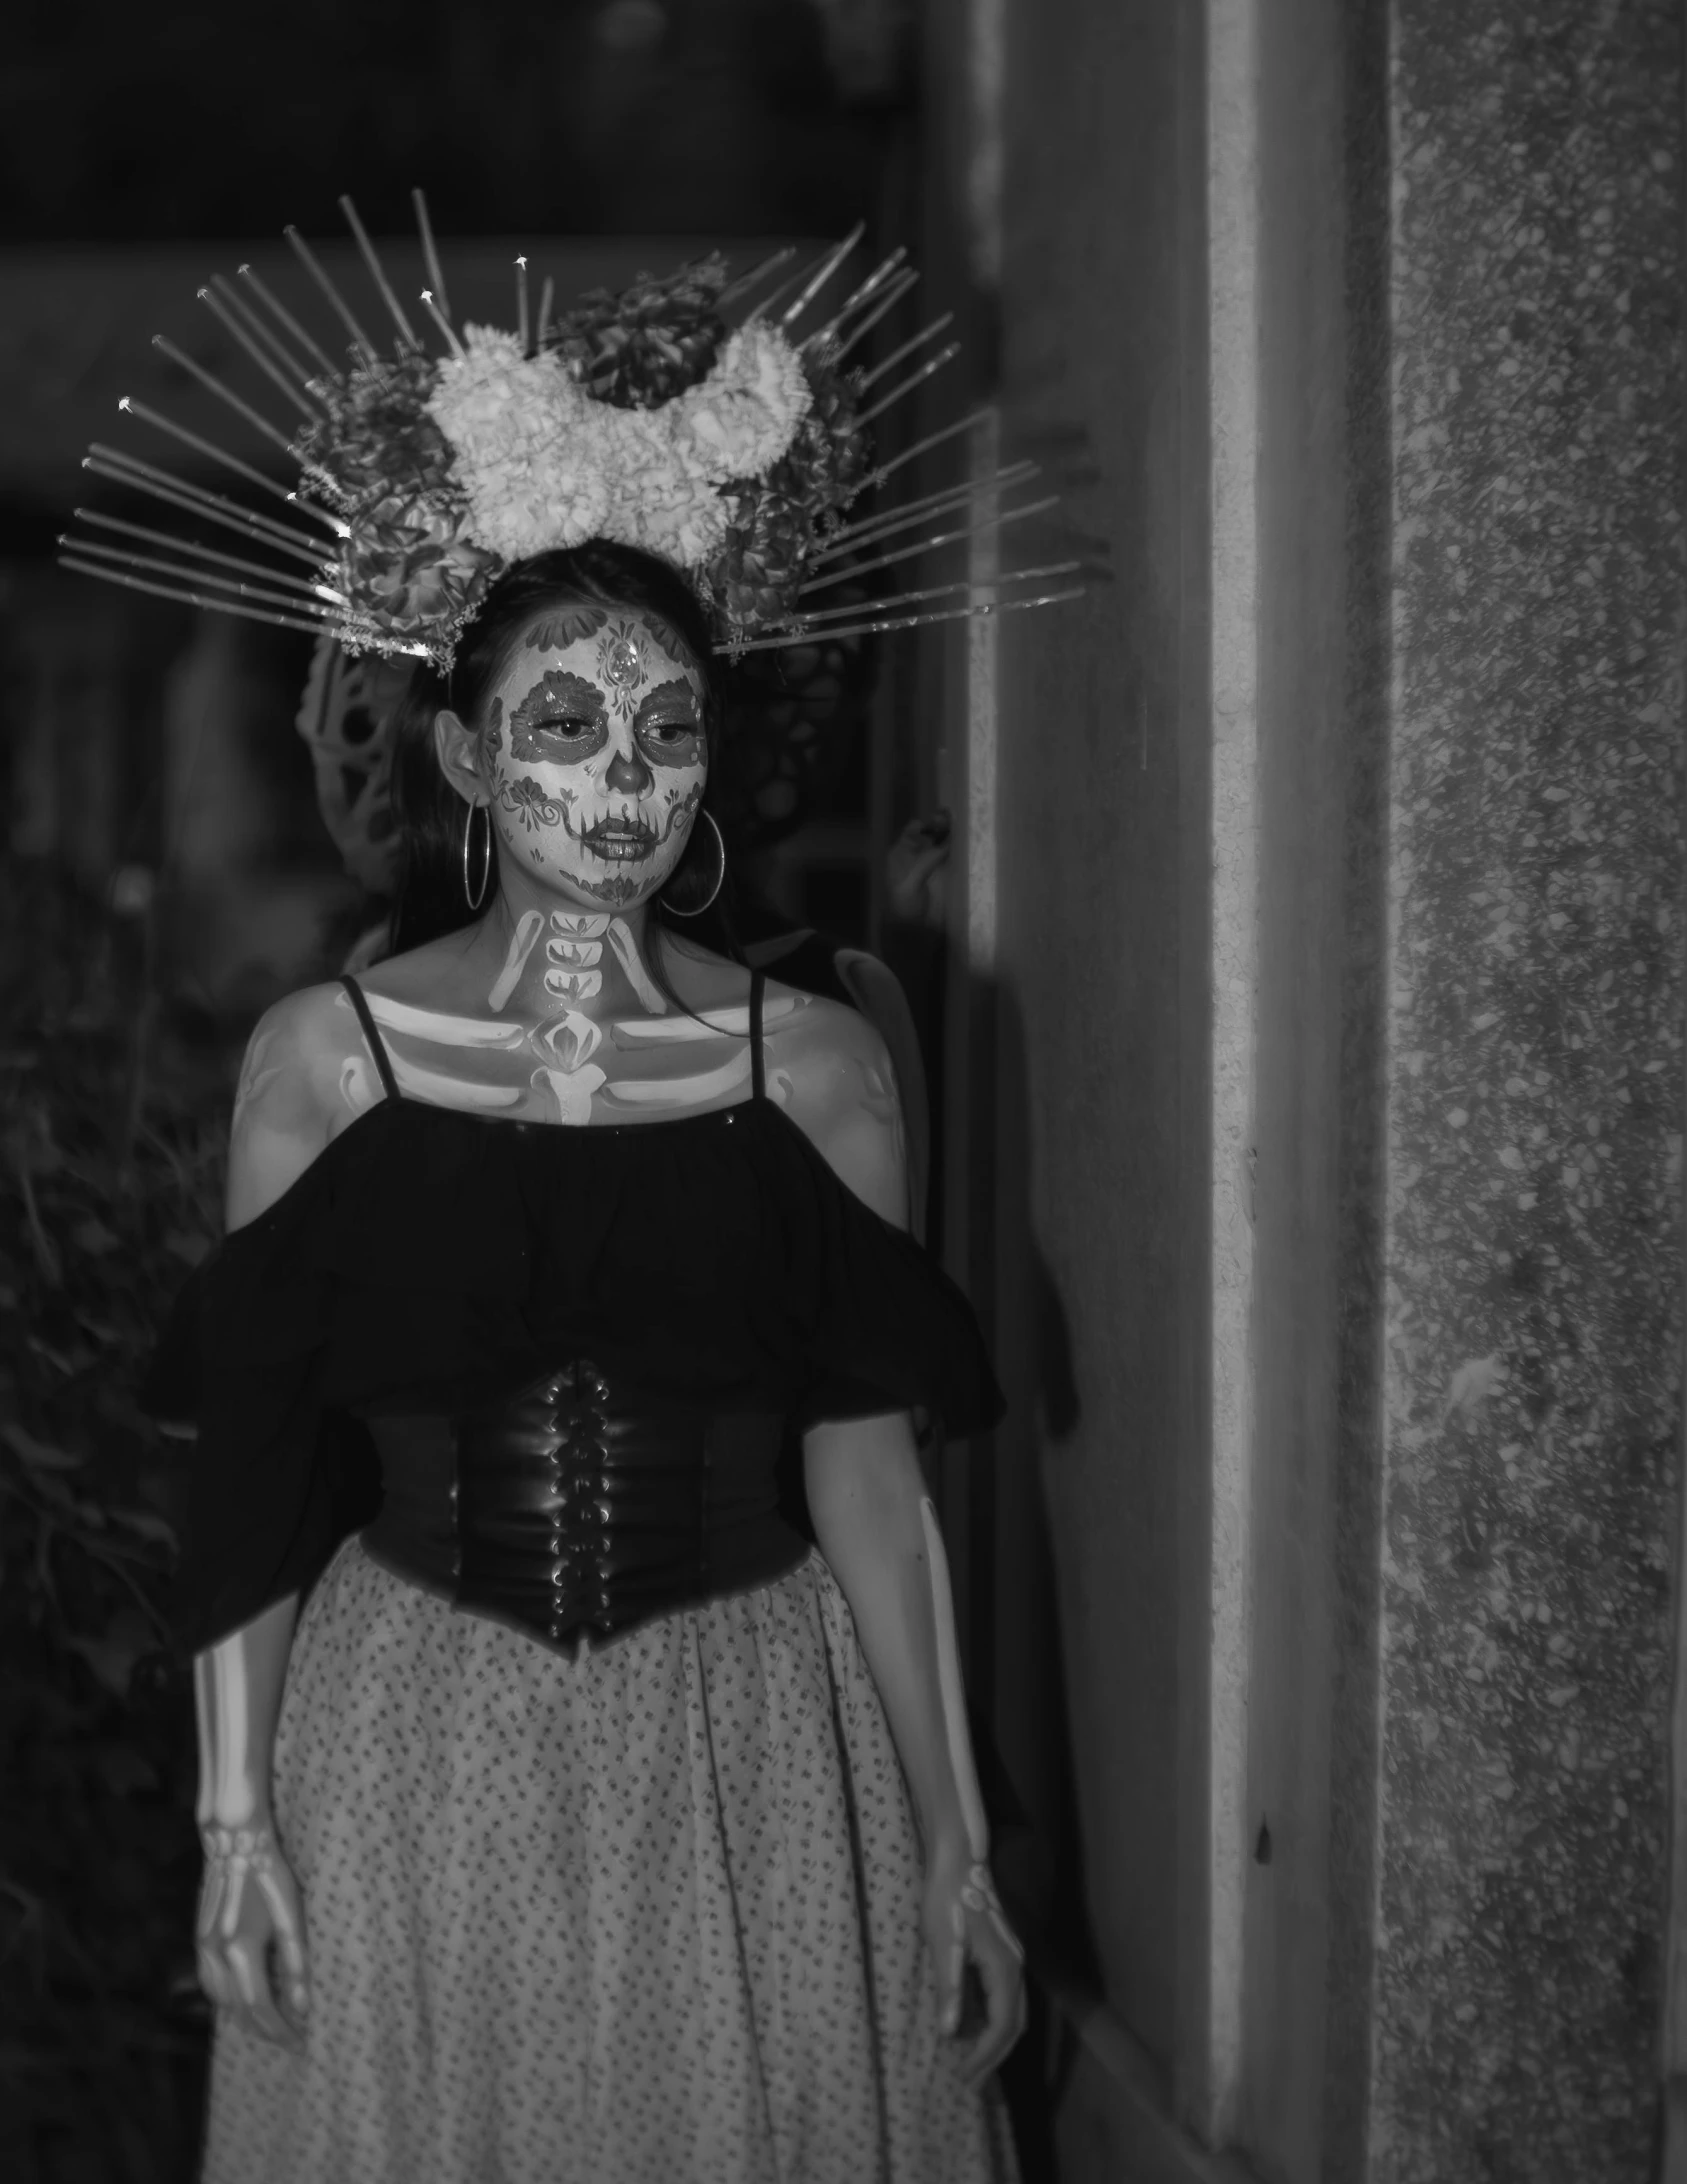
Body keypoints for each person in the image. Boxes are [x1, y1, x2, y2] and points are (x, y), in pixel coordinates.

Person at [154, 540, 1026, 2181]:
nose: (624, 774)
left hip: (750, 1733)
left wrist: (952, 1842)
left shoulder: (819, 1070)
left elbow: (865, 1462)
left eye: (670, 729)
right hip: (416, 1734)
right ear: (469, 756)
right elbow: (256, 1466)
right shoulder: (327, 1064)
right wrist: (235, 1821)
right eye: (564, 722)